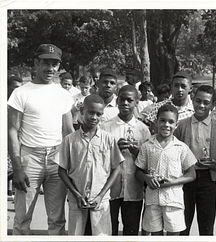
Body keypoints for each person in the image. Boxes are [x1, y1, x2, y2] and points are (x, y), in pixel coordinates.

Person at [7, 44, 74, 235]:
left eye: (55, 64)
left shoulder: (62, 93)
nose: (50, 68)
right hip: (30, 158)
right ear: (36, 63)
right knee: (22, 219)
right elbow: (12, 131)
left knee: (57, 219)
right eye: (46, 63)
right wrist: (17, 168)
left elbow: (68, 130)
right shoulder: (21, 93)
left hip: (56, 157)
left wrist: (70, 165)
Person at [57, 94, 124, 235]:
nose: (94, 117)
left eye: (98, 114)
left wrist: (101, 195)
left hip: (100, 199)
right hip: (77, 198)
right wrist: (76, 194)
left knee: (101, 234)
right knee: (77, 233)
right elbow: (62, 170)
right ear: (82, 111)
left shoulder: (108, 139)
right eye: (91, 112)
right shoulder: (70, 140)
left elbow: (117, 168)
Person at [174, 85, 216, 235]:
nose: (201, 105)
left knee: (206, 227)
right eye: (198, 101)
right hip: (185, 180)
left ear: (212, 105)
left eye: (206, 102)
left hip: (208, 180)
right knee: (182, 226)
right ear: (192, 100)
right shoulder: (181, 125)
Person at [135, 104, 197, 235]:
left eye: (171, 122)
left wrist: (173, 182)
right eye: (162, 120)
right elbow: (138, 172)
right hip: (152, 200)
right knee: (155, 235)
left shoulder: (181, 147)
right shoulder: (147, 146)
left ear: (176, 125)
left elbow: (192, 174)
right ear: (156, 122)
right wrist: (146, 178)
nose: (166, 125)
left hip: (174, 200)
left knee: (173, 235)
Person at [101, 85, 151, 235]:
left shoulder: (143, 129)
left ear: (137, 102)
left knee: (131, 229)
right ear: (117, 101)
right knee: (110, 228)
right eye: (122, 99)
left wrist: (137, 153)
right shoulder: (105, 127)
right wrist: (114, 150)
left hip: (133, 188)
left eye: (130, 100)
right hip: (110, 188)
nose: (125, 103)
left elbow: (149, 162)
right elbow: (99, 157)